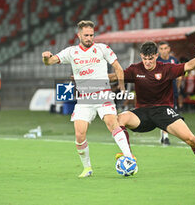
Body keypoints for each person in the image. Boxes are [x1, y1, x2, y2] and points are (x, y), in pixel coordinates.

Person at [42, 20, 134, 178]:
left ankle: (130, 160)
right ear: (78, 35)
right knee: (79, 134)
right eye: (86, 35)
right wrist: (45, 57)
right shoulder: (71, 52)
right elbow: (50, 62)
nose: (89, 38)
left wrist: (121, 85)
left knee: (112, 122)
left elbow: (118, 67)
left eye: (92, 35)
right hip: (84, 99)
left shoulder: (102, 48)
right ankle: (87, 168)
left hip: (103, 94)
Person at [111, 41, 195, 172]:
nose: (147, 62)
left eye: (150, 58)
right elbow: (115, 76)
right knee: (118, 119)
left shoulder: (166, 68)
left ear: (156, 56)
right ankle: (128, 155)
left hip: (163, 111)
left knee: (191, 139)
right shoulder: (135, 69)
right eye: (145, 59)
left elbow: (188, 66)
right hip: (142, 113)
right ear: (141, 56)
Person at [156, 41, 181, 145]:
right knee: (164, 113)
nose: (163, 51)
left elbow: (180, 75)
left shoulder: (174, 60)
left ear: (169, 49)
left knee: (171, 114)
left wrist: (178, 88)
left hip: (172, 91)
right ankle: (165, 137)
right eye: (161, 49)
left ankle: (164, 135)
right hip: (160, 92)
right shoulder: (156, 61)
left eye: (165, 48)